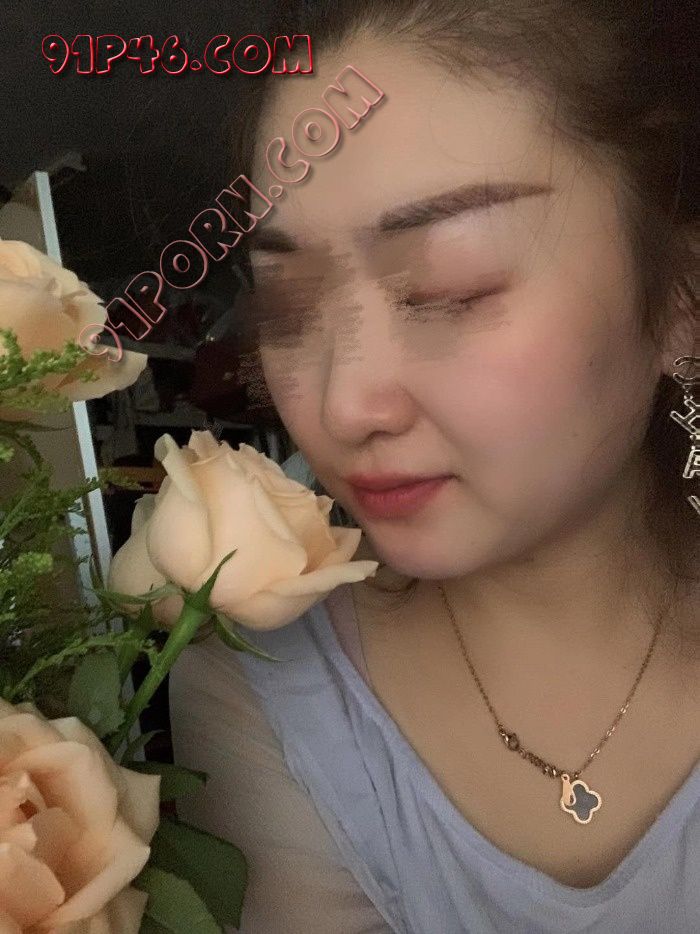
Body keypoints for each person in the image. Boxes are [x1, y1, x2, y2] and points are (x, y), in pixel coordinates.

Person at [169, 2, 699, 931]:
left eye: (448, 288)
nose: (343, 405)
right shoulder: (268, 677)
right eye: (287, 306)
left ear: (681, 298)